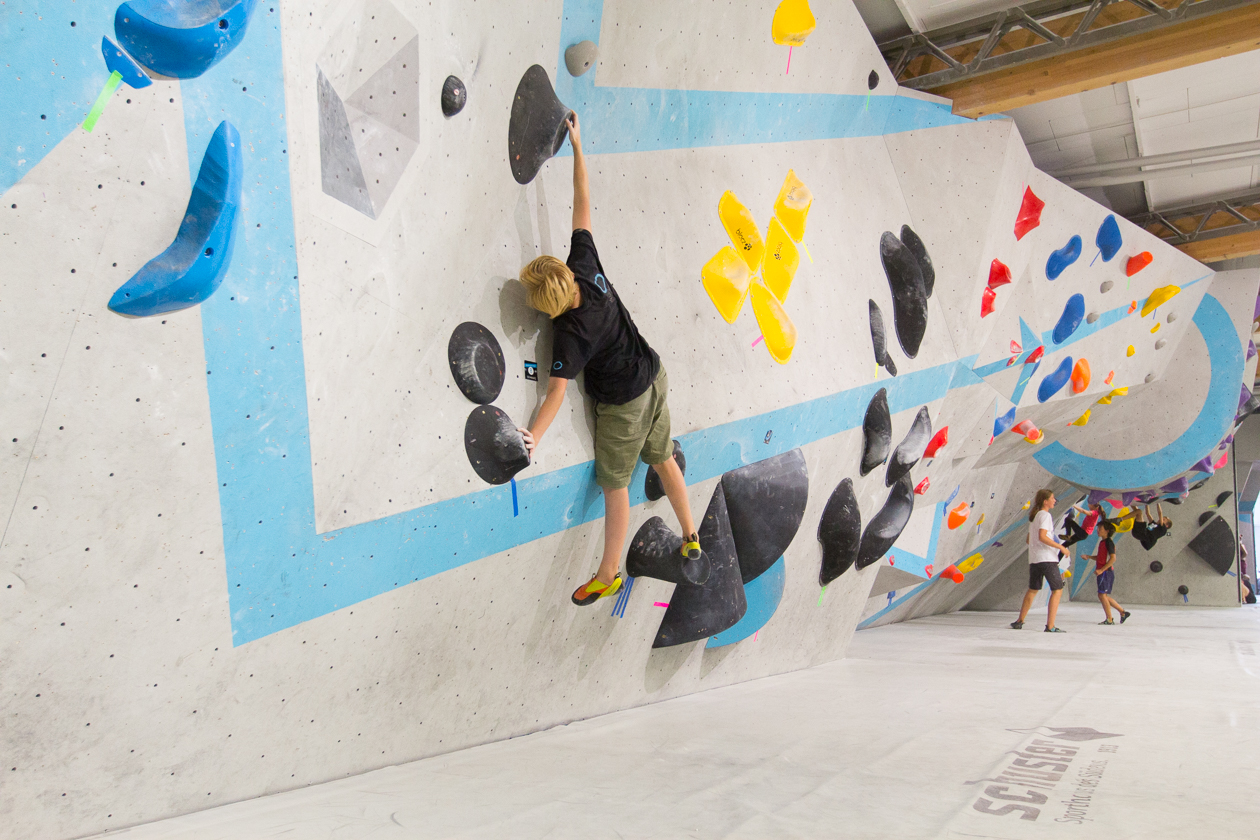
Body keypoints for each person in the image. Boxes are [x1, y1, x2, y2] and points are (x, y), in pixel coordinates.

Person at [518, 113, 699, 606]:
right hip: (655, 373)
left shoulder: (571, 336)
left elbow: (556, 392)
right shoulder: (584, 264)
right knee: (662, 458)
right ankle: (691, 535)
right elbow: (583, 203)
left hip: (626, 404)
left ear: (549, 307)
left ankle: (608, 572)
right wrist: (577, 144)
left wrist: (532, 437)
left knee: (614, 484)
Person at [1012, 488, 1069, 632]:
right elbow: (1043, 537)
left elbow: (1029, 539)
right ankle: (1050, 626)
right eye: (1053, 498)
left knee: (1033, 589)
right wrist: (1061, 547)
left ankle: (1020, 621)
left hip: (1035, 559)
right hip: (1047, 559)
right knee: (1057, 590)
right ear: (1046, 501)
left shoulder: (1035, 517)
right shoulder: (1045, 516)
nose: (1055, 500)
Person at [1081, 521, 1130, 624]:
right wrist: (1089, 557)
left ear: (1107, 531)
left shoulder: (1109, 542)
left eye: (1100, 528)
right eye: (1098, 528)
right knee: (1103, 595)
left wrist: (1102, 570)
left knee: (1102, 595)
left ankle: (1109, 619)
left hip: (1105, 573)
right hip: (1103, 572)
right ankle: (1122, 612)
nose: (1098, 530)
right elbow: (1101, 558)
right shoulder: (1102, 542)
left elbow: (1113, 558)